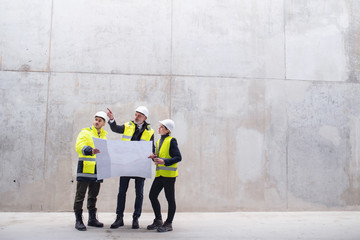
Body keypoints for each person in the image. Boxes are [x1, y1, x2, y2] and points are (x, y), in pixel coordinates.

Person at [107, 106, 155, 229]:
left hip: (140, 165)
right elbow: (116, 129)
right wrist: (112, 119)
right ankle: (119, 218)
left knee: (139, 193)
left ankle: (135, 218)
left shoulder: (150, 131)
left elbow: (152, 148)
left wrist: (153, 155)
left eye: (139, 115)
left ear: (144, 118)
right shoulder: (128, 125)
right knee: (122, 192)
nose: (136, 117)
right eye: (135, 114)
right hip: (126, 164)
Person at [73, 111, 108, 231]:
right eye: (96, 119)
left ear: (104, 123)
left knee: (93, 196)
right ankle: (78, 220)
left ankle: (92, 219)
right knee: (80, 196)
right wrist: (90, 150)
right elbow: (78, 146)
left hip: (97, 171)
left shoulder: (104, 136)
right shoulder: (85, 132)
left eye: (100, 120)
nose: (97, 122)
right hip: (85, 169)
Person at [147, 119, 182, 232]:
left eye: (162, 127)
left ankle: (168, 223)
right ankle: (158, 220)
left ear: (167, 130)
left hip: (169, 176)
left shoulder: (172, 141)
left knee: (170, 199)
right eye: (160, 126)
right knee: (152, 195)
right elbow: (160, 157)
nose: (159, 128)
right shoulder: (158, 142)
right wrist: (154, 157)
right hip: (160, 174)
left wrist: (164, 161)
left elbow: (178, 157)